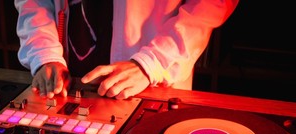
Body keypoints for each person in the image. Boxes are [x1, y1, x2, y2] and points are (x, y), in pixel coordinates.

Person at [14, 0, 239, 100]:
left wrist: (152, 62)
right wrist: (44, 54)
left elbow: (211, 4)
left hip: (148, 80)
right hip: (66, 80)